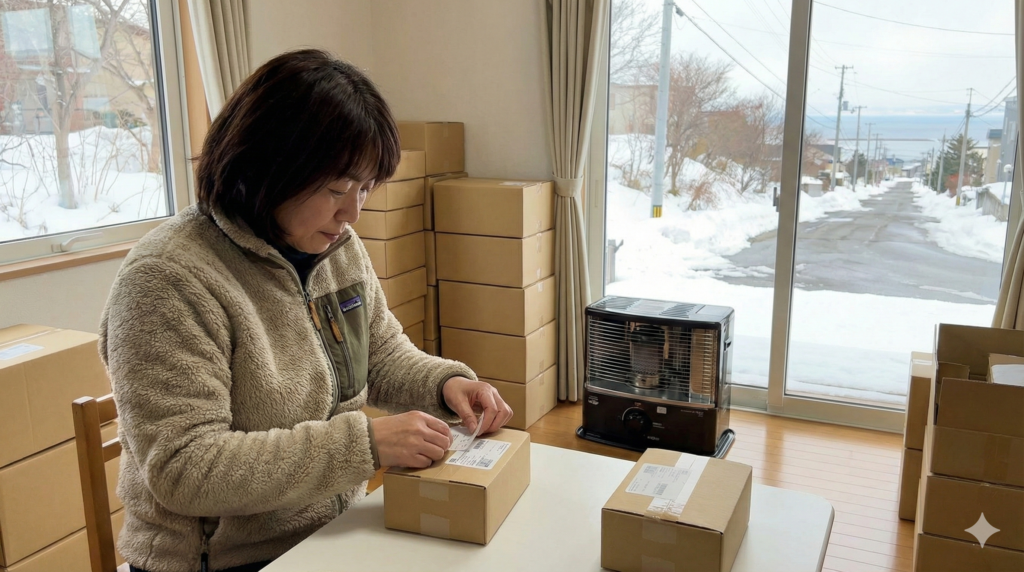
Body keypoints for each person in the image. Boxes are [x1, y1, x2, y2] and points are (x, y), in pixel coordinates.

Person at [99, 49, 513, 572]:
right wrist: (364, 444)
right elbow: (185, 469)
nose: (353, 212)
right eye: (338, 189)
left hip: (331, 530)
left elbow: (379, 353)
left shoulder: (335, 247)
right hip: (227, 559)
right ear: (269, 167)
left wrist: (444, 384)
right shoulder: (166, 279)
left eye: (366, 189)